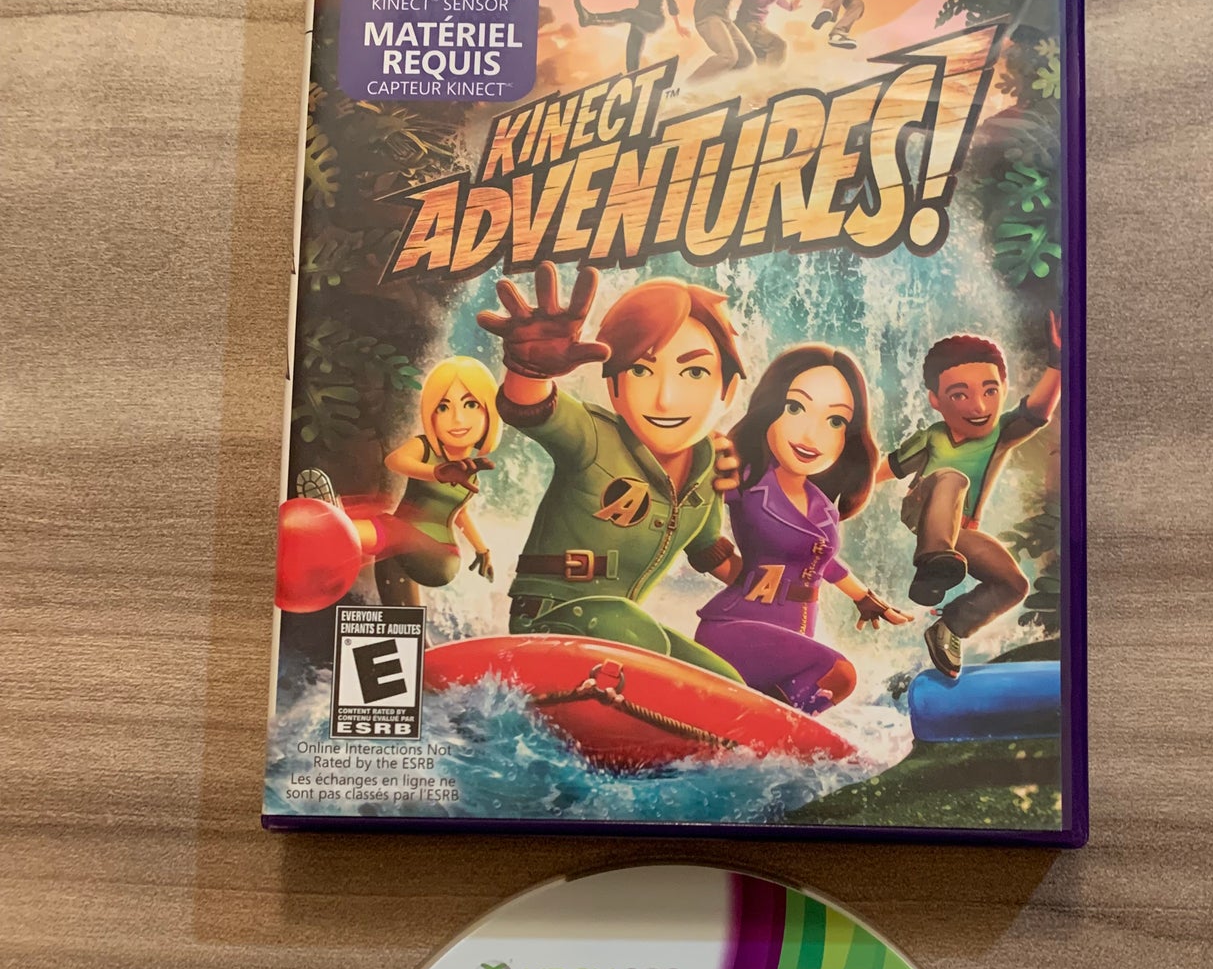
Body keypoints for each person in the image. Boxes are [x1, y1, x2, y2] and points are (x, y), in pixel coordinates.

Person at [478, 261, 748, 677]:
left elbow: (709, 550)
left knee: (727, 681)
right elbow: (533, 407)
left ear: (727, 390)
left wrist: (774, 584)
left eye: (694, 372)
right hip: (549, 618)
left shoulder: (709, 465)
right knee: (638, 635)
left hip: (623, 630)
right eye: (641, 370)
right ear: (614, 384)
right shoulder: (593, 435)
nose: (665, 399)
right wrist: (529, 368)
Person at [696, 347, 910, 713]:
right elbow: (694, 509)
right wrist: (734, 571)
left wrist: (863, 597)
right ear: (770, 409)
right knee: (839, 674)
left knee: (784, 703)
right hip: (738, 626)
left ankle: (758, 736)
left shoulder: (822, 505)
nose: (812, 434)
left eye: (835, 421)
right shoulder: (744, 478)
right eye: (795, 408)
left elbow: (822, 559)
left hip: (795, 630)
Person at [877, 314, 1061, 677]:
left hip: (957, 534)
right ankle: (931, 564)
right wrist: (835, 497)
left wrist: (1057, 362)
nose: (978, 407)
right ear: (936, 400)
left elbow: (1038, 411)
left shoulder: (1001, 434)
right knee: (952, 479)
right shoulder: (932, 437)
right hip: (922, 511)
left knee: (1013, 584)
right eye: (960, 395)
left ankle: (950, 627)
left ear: (1004, 388)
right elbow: (881, 471)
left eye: (990, 391)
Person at [287, 355, 500, 607]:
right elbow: (395, 461)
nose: (457, 419)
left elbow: (459, 513)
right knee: (400, 613)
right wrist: (436, 472)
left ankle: (338, 528)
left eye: (471, 405)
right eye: (443, 407)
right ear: (430, 414)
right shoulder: (423, 447)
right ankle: (331, 541)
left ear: (489, 412)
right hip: (396, 547)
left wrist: (482, 549)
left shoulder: (470, 474)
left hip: (438, 555)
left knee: (392, 528)